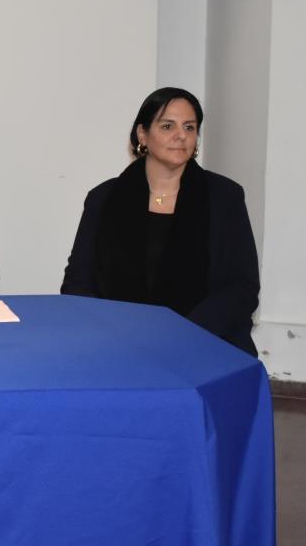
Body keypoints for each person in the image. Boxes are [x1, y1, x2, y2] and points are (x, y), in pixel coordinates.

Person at [61, 87, 260, 355]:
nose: (181, 135)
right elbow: (77, 283)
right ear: (142, 134)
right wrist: (113, 331)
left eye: (189, 127)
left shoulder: (225, 197)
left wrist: (184, 333)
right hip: (117, 345)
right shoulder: (104, 198)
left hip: (204, 342)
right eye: (168, 126)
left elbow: (242, 285)